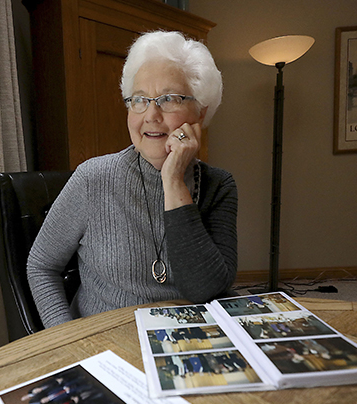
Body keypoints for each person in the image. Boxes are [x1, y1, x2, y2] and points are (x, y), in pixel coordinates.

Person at [27, 30, 238, 328]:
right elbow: (41, 266)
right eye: (139, 100)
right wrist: (67, 340)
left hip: (187, 343)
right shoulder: (93, 179)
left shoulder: (220, 185)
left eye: (169, 99)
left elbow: (207, 289)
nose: (151, 114)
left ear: (200, 112)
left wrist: (174, 182)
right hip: (105, 346)